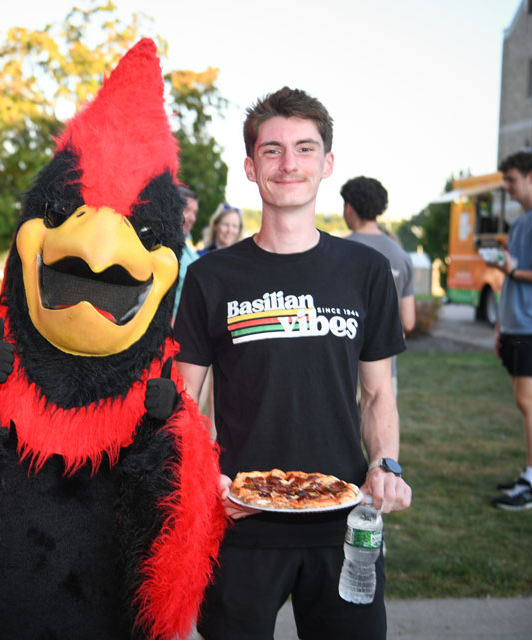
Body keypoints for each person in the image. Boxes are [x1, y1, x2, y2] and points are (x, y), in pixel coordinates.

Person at [175, 86, 411, 639]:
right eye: (273, 150)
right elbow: (183, 397)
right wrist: (203, 475)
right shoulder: (212, 277)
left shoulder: (364, 271)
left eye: (305, 149)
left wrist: (386, 465)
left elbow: (378, 394)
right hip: (239, 519)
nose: (289, 164)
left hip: (342, 520)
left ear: (327, 164)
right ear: (251, 166)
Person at [488, 151, 532, 510]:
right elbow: (513, 274)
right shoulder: (522, 220)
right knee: (530, 399)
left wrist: (515, 272)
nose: (507, 186)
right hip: (517, 322)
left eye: (512, 179)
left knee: (528, 399)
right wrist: (501, 324)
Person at [342, 175, 415, 393]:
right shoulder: (401, 255)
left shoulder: (338, 252)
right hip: (384, 368)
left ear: (349, 207)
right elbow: (408, 322)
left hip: (343, 370)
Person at [172, 185, 200, 320]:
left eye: (194, 212)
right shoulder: (152, 247)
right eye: (186, 210)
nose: (193, 218)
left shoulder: (190, 252)